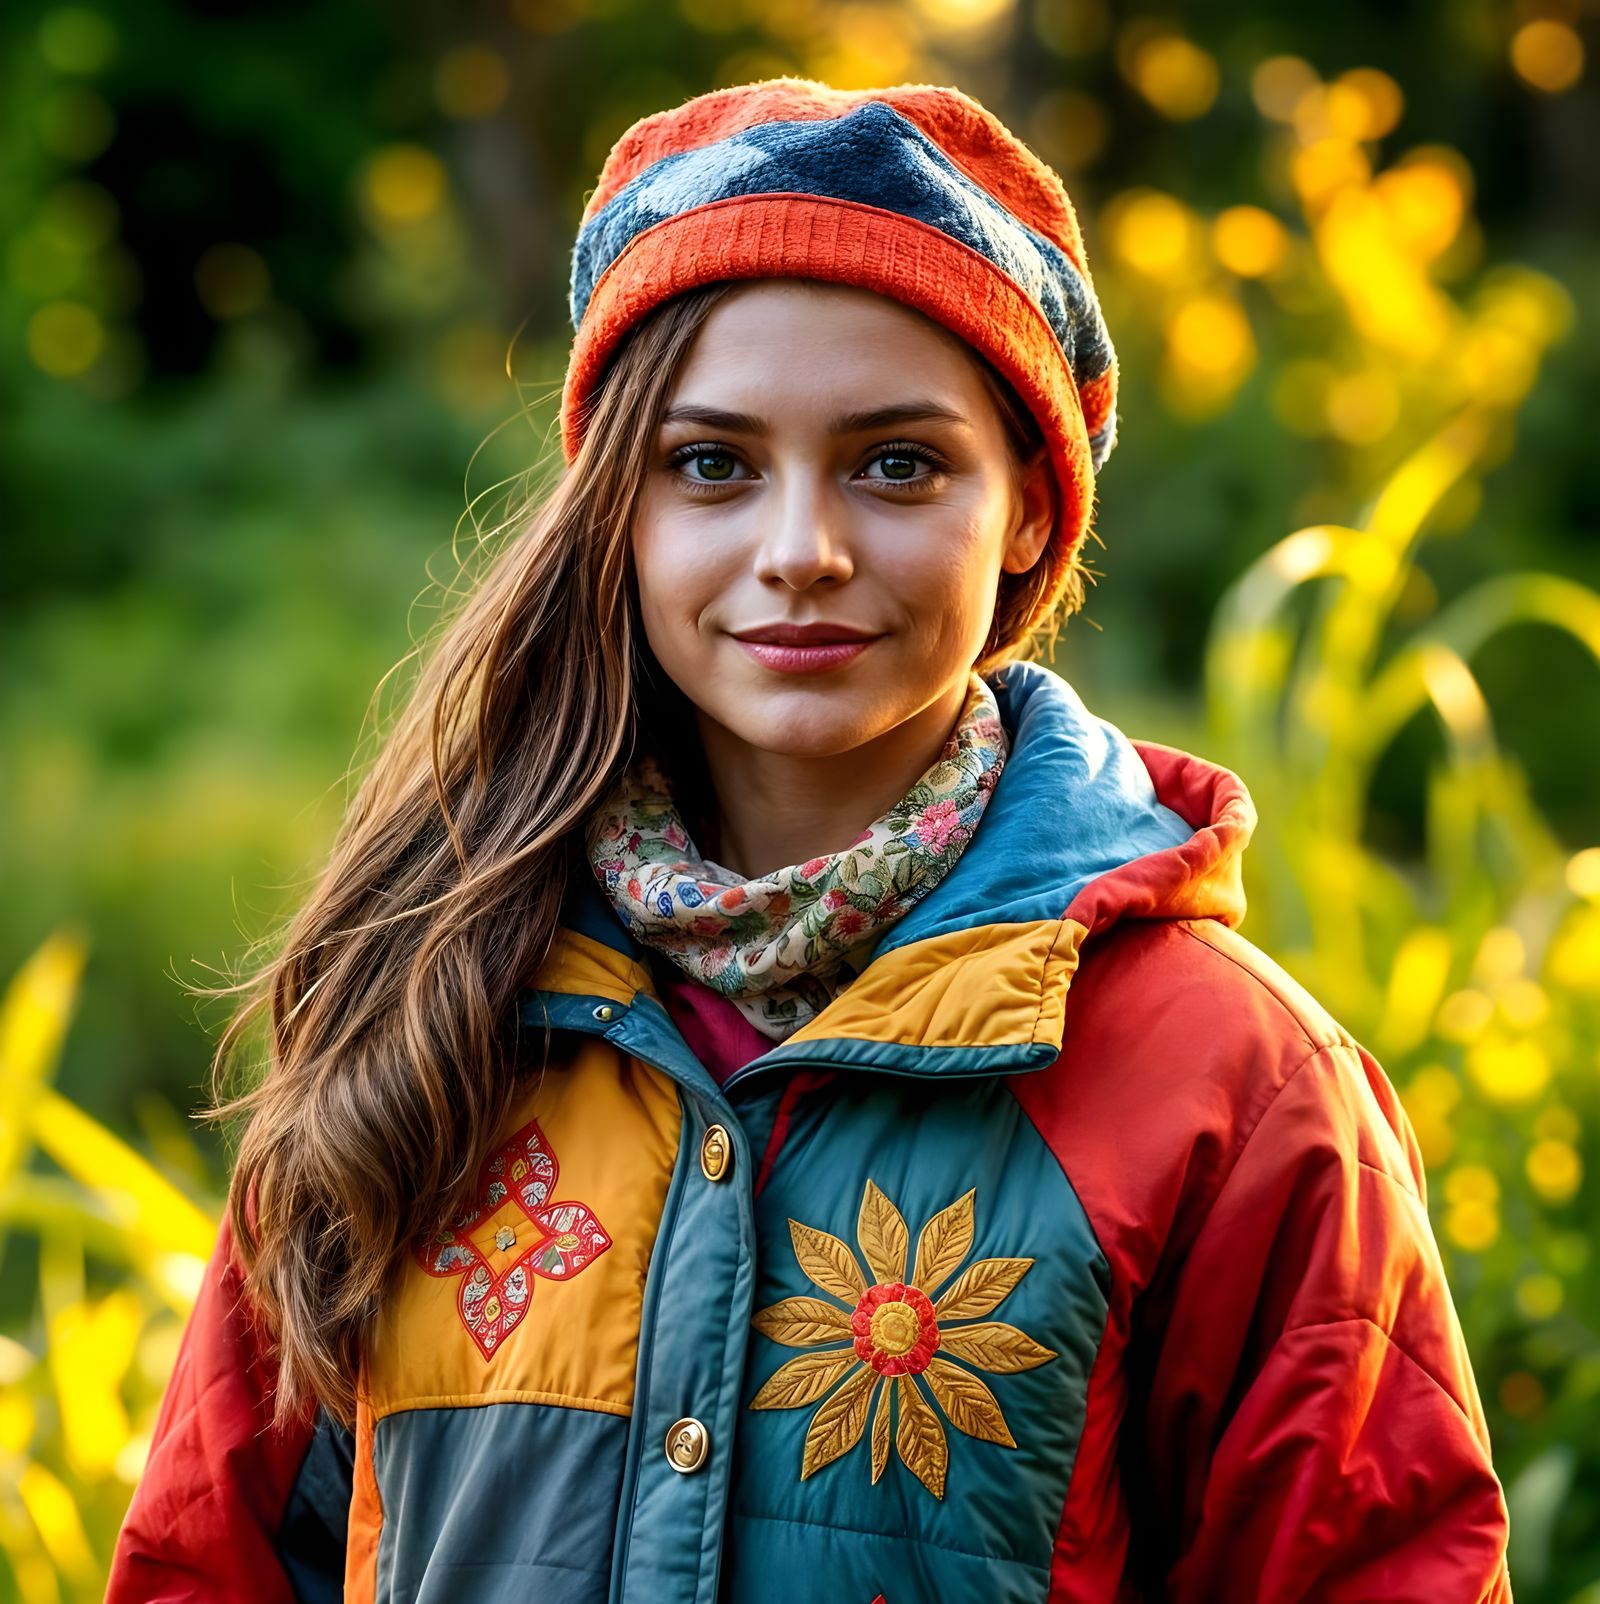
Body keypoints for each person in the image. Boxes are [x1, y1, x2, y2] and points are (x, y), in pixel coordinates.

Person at [107, 77, 1512, 1603]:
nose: (801, 551)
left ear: (1033, 508)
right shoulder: (428, 1012)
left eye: (897, 463)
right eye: (711, 464)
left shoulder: (1231, 1092)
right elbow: (209, 1565)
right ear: (619, 512)